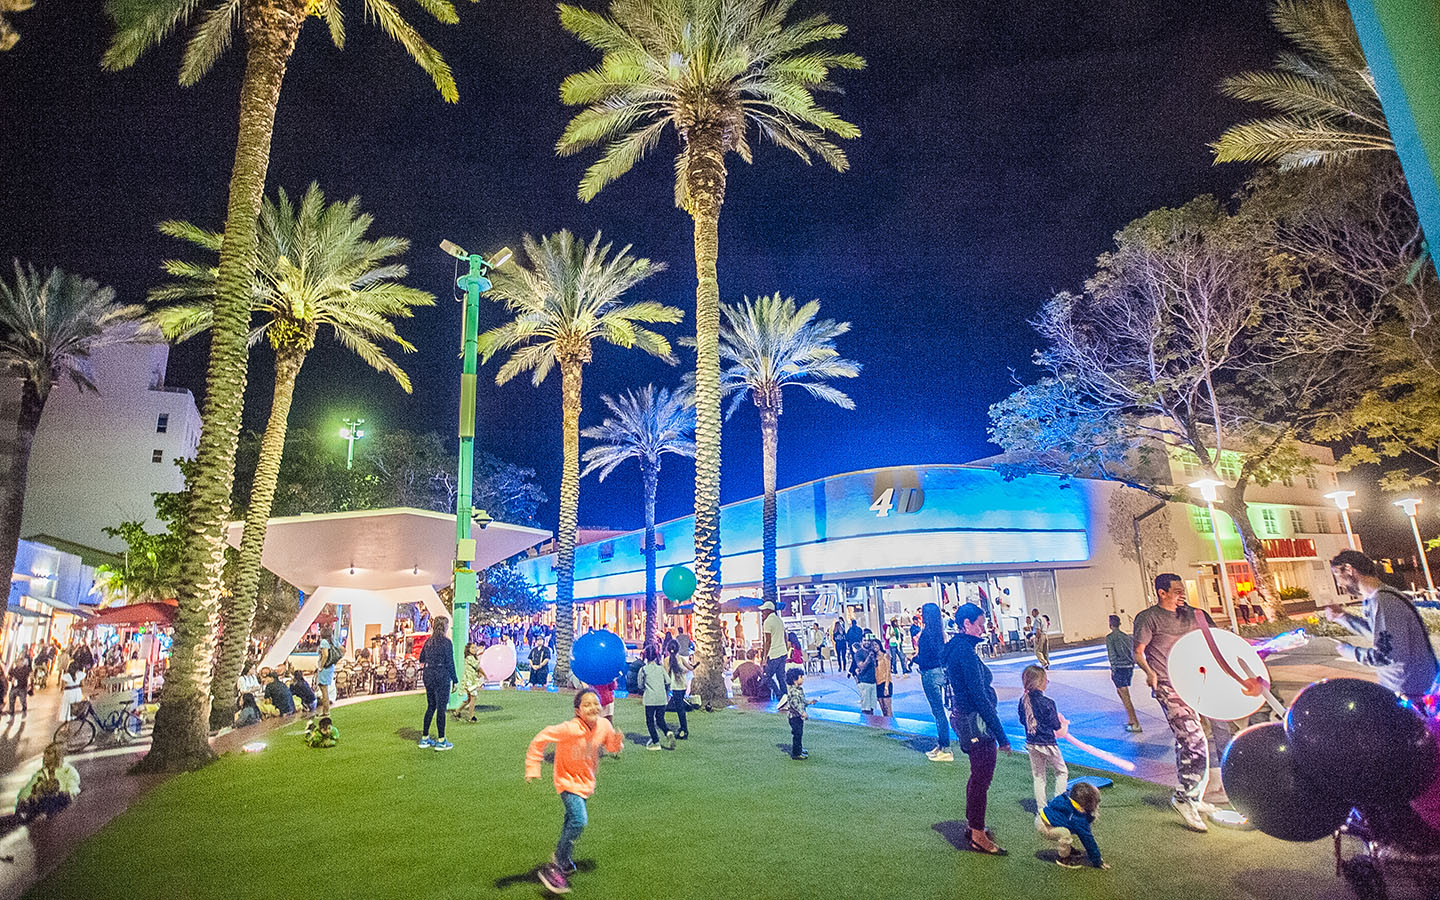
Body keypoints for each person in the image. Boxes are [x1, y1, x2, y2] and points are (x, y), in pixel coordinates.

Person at [1133, 573, 1220, 832]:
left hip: (1194, 684)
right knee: (1194, 740)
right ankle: (1184, 799)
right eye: (1177, 590)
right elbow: (1138, 652)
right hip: (1169, 688)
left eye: (1183, 590)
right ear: (1162, 592)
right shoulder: (1148, 618)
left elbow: (1213, 641)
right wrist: (1150, 672)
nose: (1183, 594)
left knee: (1189, 739)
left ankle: (1193, 794)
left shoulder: (1194, 615)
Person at [526, 688, 624, 895]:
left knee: (571, 820)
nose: (593, 707)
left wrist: (616, 741)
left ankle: (562, 856)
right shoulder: (569, 728)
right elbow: (541, 738)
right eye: (587, 704)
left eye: (596, 703)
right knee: (579, 820)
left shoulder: (604, 725)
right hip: (566, 781)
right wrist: (533, 766)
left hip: (586, 782)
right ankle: (556, 866)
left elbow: (611, 747)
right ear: (578, 710)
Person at [1325, 549, 1439, 703]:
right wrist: (1342, 617)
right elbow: (1380, 636)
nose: (1339, 583)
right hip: (1407, 689)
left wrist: (1351, 652)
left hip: (1412, 694)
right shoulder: (1378, 598)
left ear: (1349, 569)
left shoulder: (1384, 601)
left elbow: (1386, 655)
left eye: (1337, 575)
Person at [945, 602, 1013, 855]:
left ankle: (975, 826)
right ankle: (977, 834)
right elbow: (979, 696)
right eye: (980, 624)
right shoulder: (964, 652)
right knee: (982, 778)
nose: (984, 629)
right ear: (967, 624)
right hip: (977, 723)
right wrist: (1000, 733)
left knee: (977, 777)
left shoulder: (958, 650)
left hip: (967, 718)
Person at [1019, 665, 1069, 814]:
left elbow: (1023, 720)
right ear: (1041, 682)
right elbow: (1055, 725)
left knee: (1039, 776)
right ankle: (1058, 805)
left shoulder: (1023, 701)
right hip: (1047, 743)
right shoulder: (1048, 702)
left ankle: (1041, 808)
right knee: (1061, 771)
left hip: (1031, 743)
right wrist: (1064, 724)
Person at [1038, 781, 1108, 870]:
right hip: (1045, 827)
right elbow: (1087, 839)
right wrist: (1097, 860)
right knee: (1065, 833)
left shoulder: (1067, 797)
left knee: (1068, 827)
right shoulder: (1078, 817)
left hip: (1041, 819)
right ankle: (1064, 858)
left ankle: (1068, 849)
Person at [915, 602, 953, 761]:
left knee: (938, 712)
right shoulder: (938, 633)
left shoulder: (927, 634)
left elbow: (926, 656)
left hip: (929, 673)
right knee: (939, 711)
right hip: (938, 672)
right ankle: (942, 744)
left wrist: (916, 659)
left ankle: (945, 748)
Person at [417, 616, 458, 751]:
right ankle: (441, 740)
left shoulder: (429, 642)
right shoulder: (446, 643)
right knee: (441, 708)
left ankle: (424, 737)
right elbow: (450, 662)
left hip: (428, 674)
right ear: (445, 627)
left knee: (431, 706)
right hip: (442, 674)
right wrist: (455, 680)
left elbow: (421, 658)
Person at [15, 743, 79, 821]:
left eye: (49, 753)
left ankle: (41, 812)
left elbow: (73, 787)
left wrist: (68, 792)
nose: (45, 756)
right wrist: (23, 797)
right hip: (45, 800)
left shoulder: (68, 770)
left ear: (57, 755)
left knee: (57, 797)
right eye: (45, 753)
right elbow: (30, 786)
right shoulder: (42, 772)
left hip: (60, 801)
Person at [1105, 615, 1142, 733]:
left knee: (1125, 695)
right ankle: (1131, 720)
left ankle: (1135, 722)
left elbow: (1112, 655)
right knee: (1123, 693)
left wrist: (1113, 669)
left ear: (1110, 624)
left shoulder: (1110, 638)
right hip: (1128, 667)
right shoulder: (1127, 637)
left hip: (1119, 668)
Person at [637, 645, 674, 750]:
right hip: (662, 698)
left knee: (650, 721)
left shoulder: (643, 669)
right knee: (660, 719)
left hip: (650, 699)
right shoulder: (660, 669)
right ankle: (668, 732)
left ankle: (656, 741)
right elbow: (668, 681)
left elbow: (640, 685)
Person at [760, 600, 788, 700]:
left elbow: (768, 641)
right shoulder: (779, 620)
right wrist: (786, 649)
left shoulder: (767, 622)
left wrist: (764, 658)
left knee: (766, 677)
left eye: (763, 611)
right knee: (781, 677)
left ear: (768, 611)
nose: (762, 613)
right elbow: (785, 636)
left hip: (773, 654)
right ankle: (785, 696)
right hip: (782, 652)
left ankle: (779, 695)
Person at [784, 667, 815, 759]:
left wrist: (809, 702)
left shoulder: (799, 690)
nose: (802, 679)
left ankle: (799, 749)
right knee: (797, 734)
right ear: (794, 680)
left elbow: (801, 700)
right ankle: (796, 753)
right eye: (800, 677)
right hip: (794, 717)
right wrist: (802, 712)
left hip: (798, 717)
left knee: (799, 733)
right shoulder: (793, 691)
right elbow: (795, 704)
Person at [664, 639, 692, 740]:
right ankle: (683, 728)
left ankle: (684, 730)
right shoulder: (680, 658)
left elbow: (666, 673)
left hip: (674, 686)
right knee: (680, 707)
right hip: (682, 686)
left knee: (680, 709)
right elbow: (690, 668)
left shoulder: (667, 660)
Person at [316, 626, 338, 717]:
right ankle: (326, 710)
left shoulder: (324, 642)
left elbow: (325, 655)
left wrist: (321, 666)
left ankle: (326, 711)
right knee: (325, 689)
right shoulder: (333, 642)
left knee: (323, 689)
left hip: (325, 668)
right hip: (330, 667)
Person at [457, 642, 482, 722]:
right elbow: (478, 667)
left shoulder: (473, 658)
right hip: (470, 682)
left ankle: (457, 711)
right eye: (472, 648)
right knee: (473, 698)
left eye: (475, 648)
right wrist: (485, 675)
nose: (474, 649)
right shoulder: (469, 658)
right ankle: (471, 717)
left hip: (471, 681)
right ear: (468, 649)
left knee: (469, 699)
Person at [8, 648, 31, 717]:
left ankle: (24, 708)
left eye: (20, 662)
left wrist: (29, 685)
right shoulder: (14, 669)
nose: (19, 664)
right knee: (11, 698)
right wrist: (11, 679)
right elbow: (9, 675)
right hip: (14, 687)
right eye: (17, 662)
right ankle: (11, 711)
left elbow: (30, 676)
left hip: (22, 687)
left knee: (23, 700)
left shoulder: (26, 669)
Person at [875, 637, 894, 716]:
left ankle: (891, 726)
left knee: (887, 708)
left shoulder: (885, 656)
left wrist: (886, 687)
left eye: (875, 645)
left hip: (885, 682)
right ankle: (885, 726)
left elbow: (888, 671)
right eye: (872, 645)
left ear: (879, 645)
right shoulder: (873, 658)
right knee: (882, 708)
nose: (874, 647)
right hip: (877, 684)